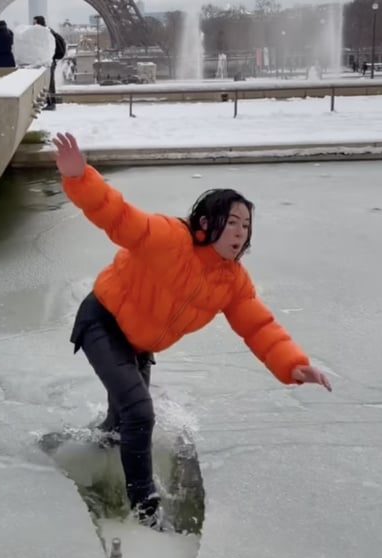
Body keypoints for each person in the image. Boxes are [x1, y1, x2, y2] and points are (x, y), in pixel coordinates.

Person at [53, 132, 331, 529]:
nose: (240, 233)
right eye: (232, 222)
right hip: (103, 320)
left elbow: (259, 326)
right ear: (206, 223)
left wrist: (293, 365)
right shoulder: (170, 238)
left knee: (122, 421)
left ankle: (95, 450)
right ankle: (145, 509)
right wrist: (80, 178)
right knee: (139, 411)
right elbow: (118, 217)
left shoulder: (232, 281)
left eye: (246, 226)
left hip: (138, 343)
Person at [33, 16, 65, 111]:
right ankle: (49, 101)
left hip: (49, 60)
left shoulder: (46, 32)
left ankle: (52, 102)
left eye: (34, 22)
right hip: (48, 60)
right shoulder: (47, 31)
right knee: (47, 81)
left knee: (49, 82)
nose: (33, 24)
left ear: (38, 23)